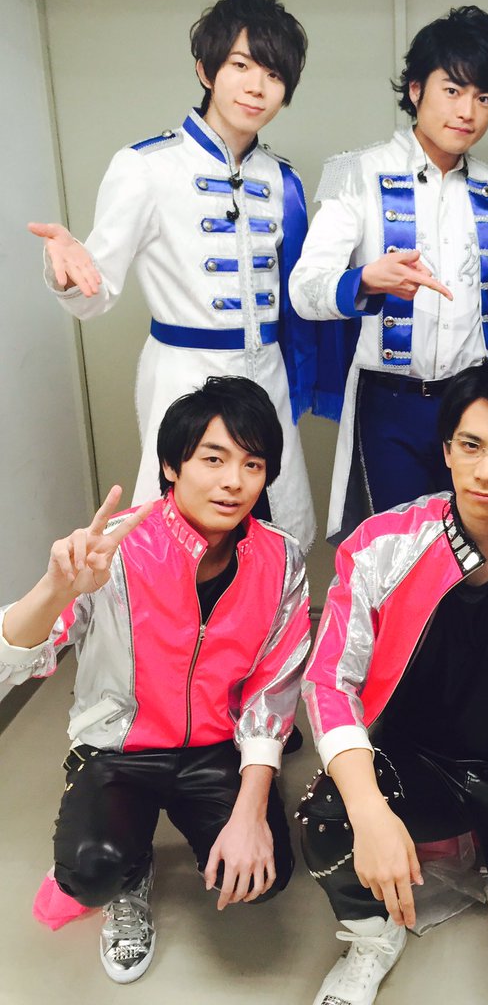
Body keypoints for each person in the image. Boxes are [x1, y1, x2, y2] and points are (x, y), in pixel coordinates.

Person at [299, 355, 488, 1005]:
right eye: (470, 446)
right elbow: (329, 683)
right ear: (446, 450)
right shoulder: (381, 544)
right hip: (415, 761)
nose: (487, 471)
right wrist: (370, 812)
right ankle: (372, 937)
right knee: (329, 815)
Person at [0, 377, 311, 984]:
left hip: (215, 749)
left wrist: (251, 814)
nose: (233, 481)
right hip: (119, 749)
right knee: (93, 870)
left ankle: (202, 828)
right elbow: (12, 657)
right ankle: (130, 874)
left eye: (252, 464)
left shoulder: (281, 559)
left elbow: (272, 694)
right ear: (171, 466)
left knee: (263, 877)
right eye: (213, 459)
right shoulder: (113, 548)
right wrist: (54, 589)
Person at [29, 0, 317, 551]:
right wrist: (65, 270)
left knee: (275, 524)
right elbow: (95, 292)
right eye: (241, 65)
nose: (257, 86)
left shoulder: (283, 180)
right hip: (183, 374)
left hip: (267, 374)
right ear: (206, 70)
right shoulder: (146, 167)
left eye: (274, 74)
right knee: (174, 535)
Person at [291, 4, 488, 544]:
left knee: (475, 551)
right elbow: (304, 289)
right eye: (452, 90)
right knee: (399, 554)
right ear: (416, 89)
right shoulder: (358, 172)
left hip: (474, 408)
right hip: (387, 405)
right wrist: (365, 280)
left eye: (483, 98)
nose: (467, 112)